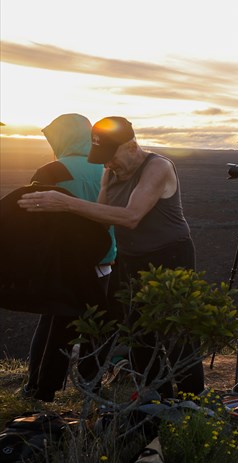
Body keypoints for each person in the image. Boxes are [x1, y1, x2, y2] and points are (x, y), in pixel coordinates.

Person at [19, 116, 202, 397]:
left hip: (170, 257)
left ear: (131, 146)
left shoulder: (158, 167)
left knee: (176, 333)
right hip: (130, 259)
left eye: (110, 156)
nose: (107, 164)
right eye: (102, 158)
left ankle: (194, 401)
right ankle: (158, 401)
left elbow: (130, 217)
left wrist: (67, 203)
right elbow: (100, 223)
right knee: (139, 335)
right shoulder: (110, 173)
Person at [22, 114, 116, 401]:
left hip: (64, 264)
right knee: (96, 326)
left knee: (54, 324)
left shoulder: (51, 171)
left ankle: (41, 387)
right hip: (104, 260)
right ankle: (92, 386)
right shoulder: (107, 168)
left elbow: (33, 219)